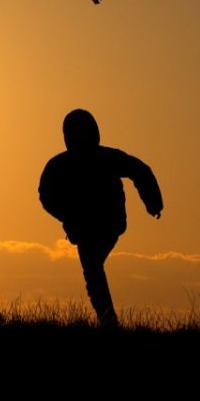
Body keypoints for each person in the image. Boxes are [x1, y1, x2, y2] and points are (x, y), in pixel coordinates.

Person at [38, 109, 164, 327]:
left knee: (92, 267)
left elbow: (140, 171)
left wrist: (153, 203)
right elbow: (46, 194)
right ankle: (108, 319)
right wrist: (67, 216)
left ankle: (108, 321)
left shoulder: (105, 158)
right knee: (93, 267)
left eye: (84, 132)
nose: (81, 138)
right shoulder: (61, 164)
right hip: (86, 225)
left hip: (108, 223)